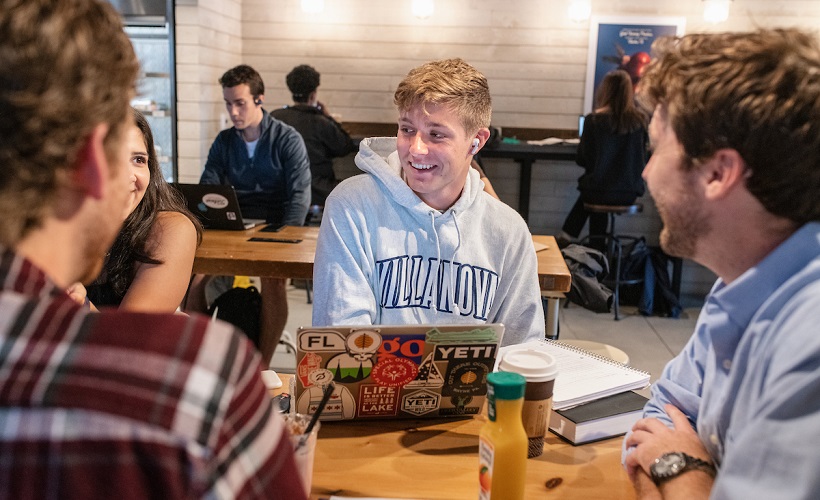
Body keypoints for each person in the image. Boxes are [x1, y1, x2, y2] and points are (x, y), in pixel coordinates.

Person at [0, 1, 304, 497]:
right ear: (96, 163)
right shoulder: (196, 374)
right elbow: (209, 184)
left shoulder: (280, 142)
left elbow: (296, 195)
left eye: (140, 159)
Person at [622, 28, 820, 499]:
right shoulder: (741, 283)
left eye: (657, 148)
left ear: (717, 172)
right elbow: (656, 424)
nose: (647, 172)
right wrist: (690, 473)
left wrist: (681, 469)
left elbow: (663, 452)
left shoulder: (809, 343)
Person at [312, 58, 545, 346]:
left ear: (477, 141)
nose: (416, 149)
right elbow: (341, 342)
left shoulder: (508, 231)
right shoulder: (352, 206)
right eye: (407, 129)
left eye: (436, 134)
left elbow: (522, 349)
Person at [190, 64, 312, 365]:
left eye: (240, 103)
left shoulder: (287, 138)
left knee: (272, 281)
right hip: (234, 222)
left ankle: (262, 365)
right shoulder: (224, 141)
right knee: (195, 279)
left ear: (259, 99)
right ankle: (204, 360)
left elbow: (299, 195)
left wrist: (286, 238)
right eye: (228, 104)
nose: (233, 112)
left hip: (276, 224)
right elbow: (208, 188)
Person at [69, 108, 202, 312]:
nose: (127, 176)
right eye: (111, 158)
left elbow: (133, 330)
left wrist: (79, 303)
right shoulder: (57, 226)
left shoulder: (168, 231)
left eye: (139, 160)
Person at [557, 69, 649, 248]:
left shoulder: (593, 120)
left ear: (605, 90)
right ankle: (589, 246)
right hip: (629, 192)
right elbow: (643, 159)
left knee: (595, 190)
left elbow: (582, 159)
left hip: (598, 190)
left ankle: (578, 242)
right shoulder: (640, 121)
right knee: (598, 190)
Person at [272, 64, 359, 209]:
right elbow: (344, 147)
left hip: (283, 188)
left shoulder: (275, 118)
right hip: (318, 190)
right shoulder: (320, 121)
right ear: (313, 95)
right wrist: (328, 116)